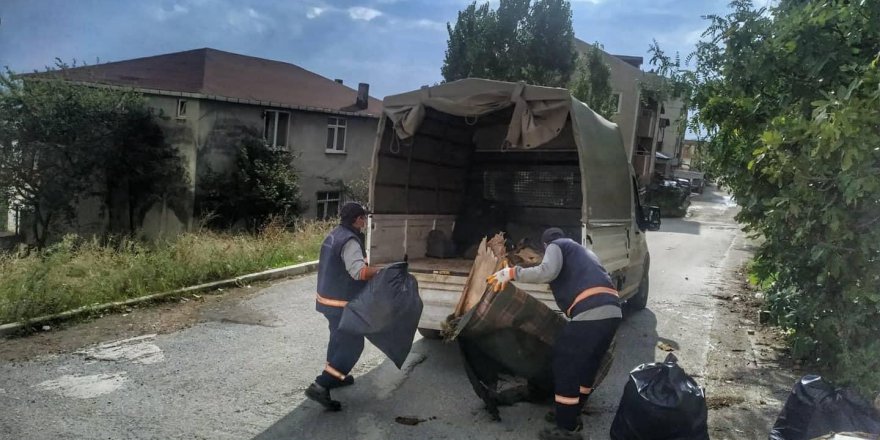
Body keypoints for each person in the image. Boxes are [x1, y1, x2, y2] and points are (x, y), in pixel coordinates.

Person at [487, 228, 622, 440]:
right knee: (587, 366)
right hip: (612, 312)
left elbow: (546, 271)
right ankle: (573, 413)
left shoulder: (558, 246)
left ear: (545, 245)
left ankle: (565, 427)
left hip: (591, 312)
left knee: (565, 363)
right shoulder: (585, 253)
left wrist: (511, 273)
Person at [305, 202, 380, 411]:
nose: (365, 221)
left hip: (327, 301)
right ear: (357, 219)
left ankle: (336, 377)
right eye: (363, 218)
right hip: (342, 304)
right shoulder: (350, 241)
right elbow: (359, 272)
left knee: (337, 339)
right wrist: (382, 271)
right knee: (353, 345)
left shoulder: (335, 234)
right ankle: (322, 385)